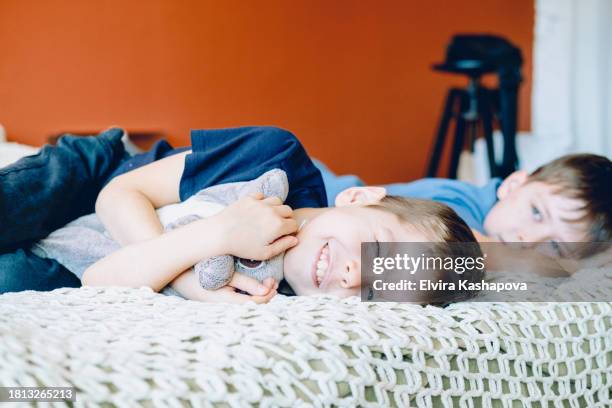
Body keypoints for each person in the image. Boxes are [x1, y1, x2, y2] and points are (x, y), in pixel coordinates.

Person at [1, 126, 483, 304]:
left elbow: (103, 281)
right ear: (357, 198)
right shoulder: (275, 158)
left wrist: (187, 283)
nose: (357, 273)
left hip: (88, 260)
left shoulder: (269, 295)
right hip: (100, 180)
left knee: (13, 281)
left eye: (377, 290)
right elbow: (120, 194)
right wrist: (211, 241)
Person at [317, 154, 612, 259]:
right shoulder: (452, 203)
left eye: (557, 246)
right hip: (312, 188)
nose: (529, 240)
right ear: (513, 184)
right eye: (537, 213)